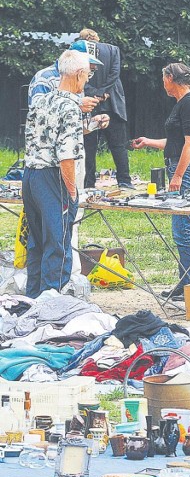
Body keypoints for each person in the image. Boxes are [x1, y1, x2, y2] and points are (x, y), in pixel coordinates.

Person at [131, 62, 190, 300]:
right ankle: (187, 284)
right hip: (179, 165)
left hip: (186, 170)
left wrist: (178, 176)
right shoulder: (181, 104)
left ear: (171, 78)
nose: (162, 84)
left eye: (164, 78)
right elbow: (175, 142)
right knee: (180, 231)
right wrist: (149, 142)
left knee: (184, 231)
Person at [22, 50, 89, 298]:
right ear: (79, 74)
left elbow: (40, 138)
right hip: (53, 178)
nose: (87, 81)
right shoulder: (71, 108)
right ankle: (51, 302)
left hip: (31, 175)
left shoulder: (41, 100)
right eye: (87, 75)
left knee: (37, 242)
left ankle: (32, 300)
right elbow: (66, 154)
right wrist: (71, 190)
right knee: (58, 244)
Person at [78, 28, 134, 190]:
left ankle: (88, 184)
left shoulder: (77, 53)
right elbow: (115, 73)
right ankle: (124, 181)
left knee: (88, 147)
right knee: (118, 146)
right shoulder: (112, 49)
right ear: (97, 38)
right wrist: (103, 92)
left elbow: (78, 76)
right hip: (112, 103)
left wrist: (94, 93)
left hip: (89, 103)